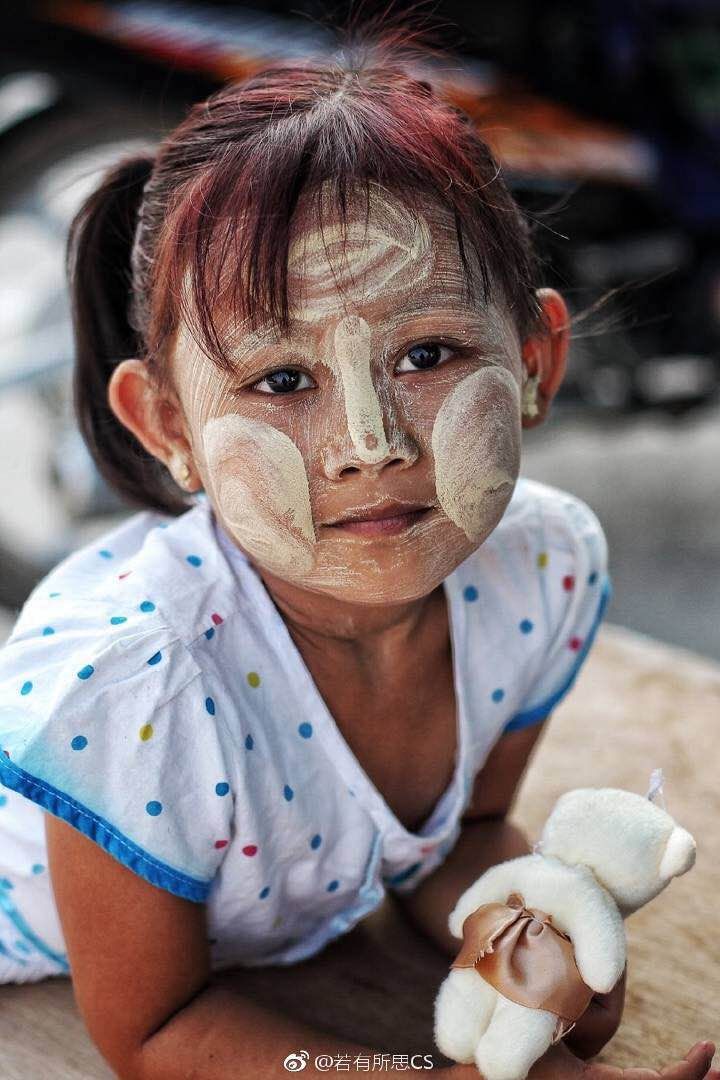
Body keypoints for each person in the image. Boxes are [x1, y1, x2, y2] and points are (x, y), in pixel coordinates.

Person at [0, 23, 716, 1080]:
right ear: (167, 426)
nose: (368, 445)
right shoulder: (137, 691)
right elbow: (156, 1028)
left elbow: (461, 837)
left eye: (427, 353)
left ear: (535, 363)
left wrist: (534, 977)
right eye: (282, 380)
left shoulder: (542, 571)